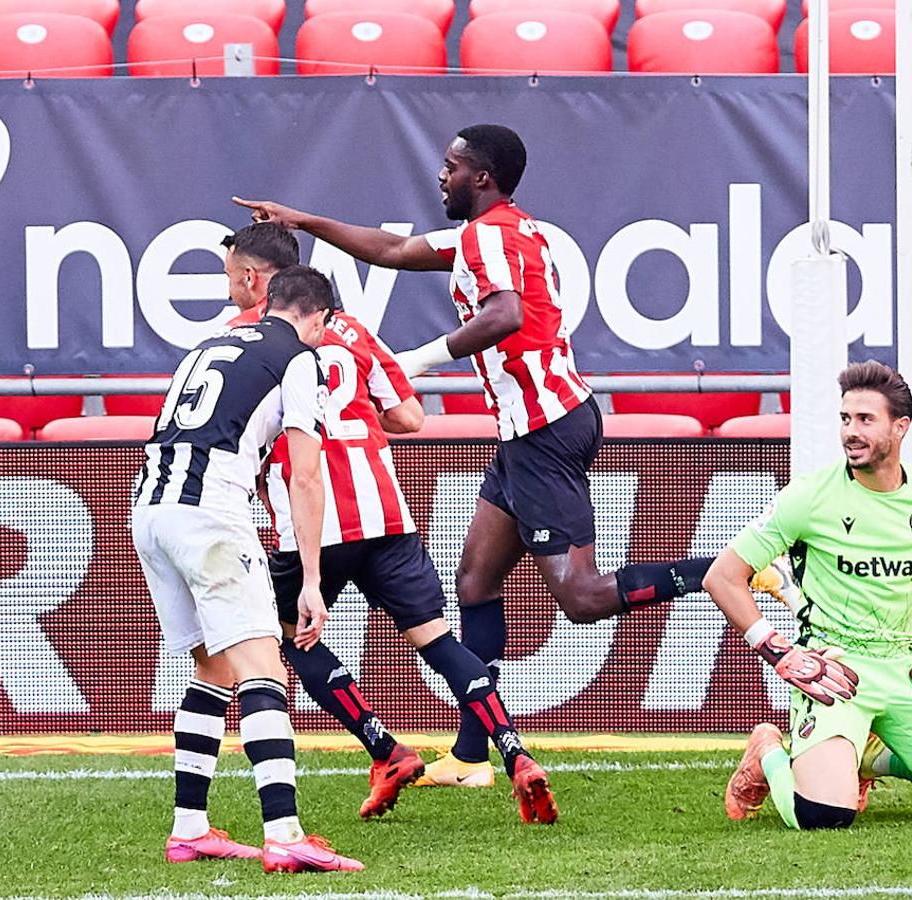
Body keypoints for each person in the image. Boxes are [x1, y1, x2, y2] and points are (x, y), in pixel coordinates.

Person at [233, 124, 713, 803]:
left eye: (452, 166)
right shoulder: (500, 231)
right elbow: (393, 249)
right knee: (474, 583)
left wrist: (418, 360)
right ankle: (472, 752)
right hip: (527, 433)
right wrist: (302, 219)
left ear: (480, 178)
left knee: (580, 597)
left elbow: (505, 314)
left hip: (546, 430)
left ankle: (720, 570)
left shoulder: (488, 237)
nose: (441, 175)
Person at [220, 222, 553, 823]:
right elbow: (409, 416)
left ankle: (383, 747)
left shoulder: (243, 337)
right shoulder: (353, 330)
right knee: (438, 640)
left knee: (288, 634)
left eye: (230, 278)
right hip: (386, 510)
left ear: (252, 279)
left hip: (313, 520)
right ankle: (515, 754)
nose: (231, 290)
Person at [708, 360, 912, 830]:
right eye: (845, 419)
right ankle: (770, 755)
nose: (851, 432)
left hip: (908, 669)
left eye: (865, 420)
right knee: (823, 817)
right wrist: (778, 653)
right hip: (837, 670)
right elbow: (723, 576)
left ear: (900, 427)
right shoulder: (809, 497)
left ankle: (872, 753)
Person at [132, 265, 362, 872]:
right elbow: (305, 473)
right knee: (266, 672)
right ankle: (284, 834)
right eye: (324, 323)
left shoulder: (208, 343)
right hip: (210, 515)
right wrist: (311, 581)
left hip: (151, 509)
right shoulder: (302, 357)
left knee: (211, 667)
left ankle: (189, 830)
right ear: (317, 316)